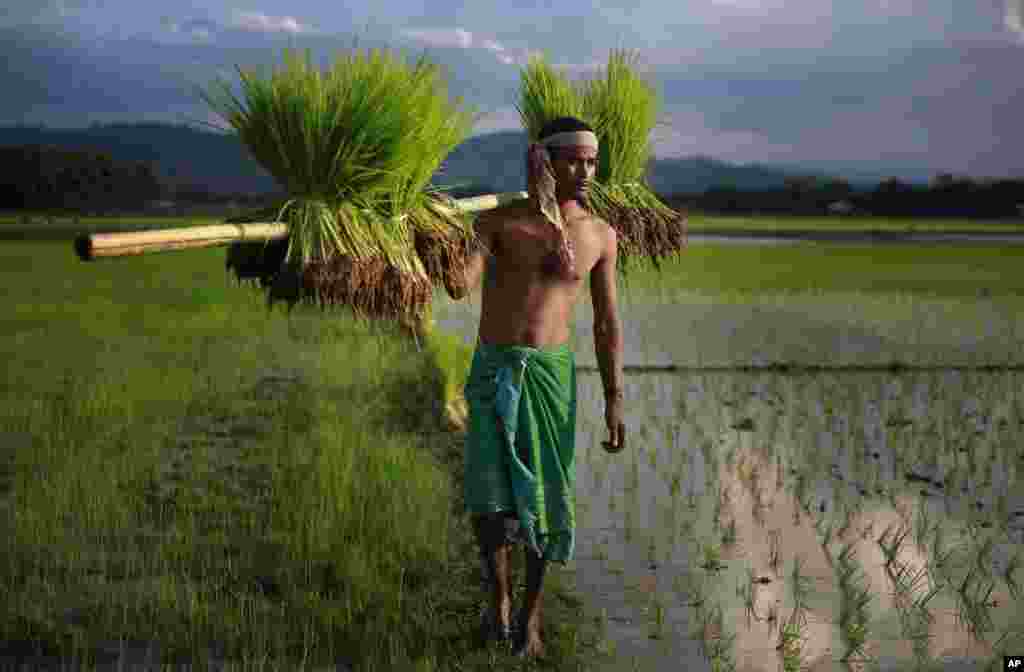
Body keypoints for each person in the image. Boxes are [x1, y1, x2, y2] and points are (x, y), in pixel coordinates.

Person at [449, 116, 626, 659]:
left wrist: (615, 397)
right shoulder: (501, 223)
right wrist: (433, 237)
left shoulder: (598, 235)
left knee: (546, 499)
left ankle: (531, 617)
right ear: (543, 160)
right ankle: (498, 603)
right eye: (574, 159)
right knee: (487, 498)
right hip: (494, 368)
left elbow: (605, 322)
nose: (586, 170)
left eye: (592, 160)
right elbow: (459, 285)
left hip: (549, 378)